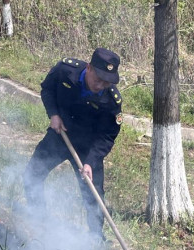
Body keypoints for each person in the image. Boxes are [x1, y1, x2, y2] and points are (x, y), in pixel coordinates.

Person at [24, 48, 123, 238]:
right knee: (32, 175)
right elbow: (47, 89)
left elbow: (107, 136)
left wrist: (90, 162)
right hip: (60, 136)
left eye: (107, 82)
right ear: (89, 68)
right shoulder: (65, 70)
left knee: (93, 196)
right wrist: (53, 114)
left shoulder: (112, 101)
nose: (101, 85)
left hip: (88, 149)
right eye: (98, 79)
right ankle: (39, 220)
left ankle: (95, 238)